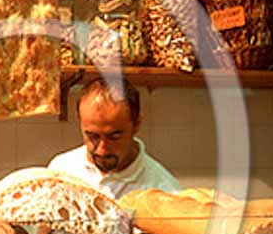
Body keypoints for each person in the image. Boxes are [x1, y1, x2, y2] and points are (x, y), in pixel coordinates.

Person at [48, 77, 180, 200]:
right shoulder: (60, 171)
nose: (102, 151)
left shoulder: (165, 191)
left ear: (137, 124)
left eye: (114, 137)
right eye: (92, 136)